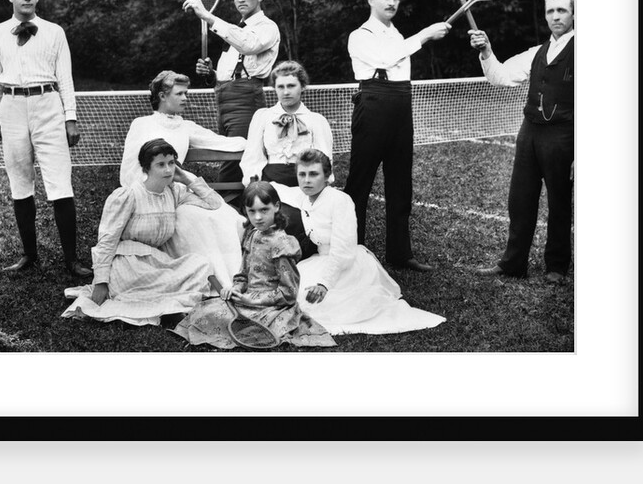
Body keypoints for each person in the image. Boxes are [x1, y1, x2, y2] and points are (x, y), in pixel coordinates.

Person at [270, 149, 446, 335]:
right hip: (320, 259)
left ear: (327, 176)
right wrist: (261, 182)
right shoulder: (305, 197)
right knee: (286, 296)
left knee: (313, 307)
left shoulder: (340, 201)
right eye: (302, 174)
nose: (306, 180)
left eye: (314, 174)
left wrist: (324, 284)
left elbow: (343, 249)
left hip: (346, 266)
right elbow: (286, 192)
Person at [0, 0, 90, 277]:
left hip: (48, 106)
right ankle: (30, 255)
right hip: (11, 107)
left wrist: (70, 117)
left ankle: (72, 259)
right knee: (20, 183)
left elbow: (66, 78)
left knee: (59, 182)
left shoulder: (54, 32)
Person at [344, 0, 450, 273]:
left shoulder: (396, 33)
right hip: (374, 104)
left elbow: (399, 60)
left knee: (400, 183)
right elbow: (386, 59)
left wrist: (419, 37)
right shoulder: (360, 34)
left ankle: (400, 254)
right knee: (359, 183)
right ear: (370, 0)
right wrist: (426, 34)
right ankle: (352, 252)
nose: (392, 3)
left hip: (402, 106)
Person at [469, 0, 575, 283]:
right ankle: (514, 263)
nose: (556, 16)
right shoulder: (536, 52)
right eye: (551, 11)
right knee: (520, 199)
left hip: (564, 136)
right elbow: (500, 76)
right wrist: (486, 51)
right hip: (529, 133)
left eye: (562, 11)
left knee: (559, 202)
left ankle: (556, 267)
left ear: (574, 14)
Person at [61, 139, 223, 326]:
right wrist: (101, 282)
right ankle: (166, 307)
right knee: (151, 281)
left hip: (156, 261)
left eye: (171, 163)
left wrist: (186, 179)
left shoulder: (174, 192)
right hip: (129, 265)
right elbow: (107, 240)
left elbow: (215, 203)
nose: (168, 170)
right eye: (160, 165)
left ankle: (166, 305)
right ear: (146, 168)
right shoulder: (128, 195)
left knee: (201, 265)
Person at [171, 181, 336, 349]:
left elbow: (289, 293)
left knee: (253, 324)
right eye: (252, 211)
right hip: (246, 300)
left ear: (276, 206)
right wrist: (235, 289)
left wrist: (250, 300)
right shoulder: (252, 236)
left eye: (264, 210)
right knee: (206, 311)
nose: (258, 217)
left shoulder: (282, 245)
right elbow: (243, 274)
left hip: (273, 307)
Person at [119, 70, 246, 287]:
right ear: (162, 96)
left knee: (225, 216)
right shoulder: (141, 124)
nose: (186, 98)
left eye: (186, 93)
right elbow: (128, 170)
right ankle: (205, 281)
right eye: (180, 94)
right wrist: (147, 194)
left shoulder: (185, 127)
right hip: (150, 196)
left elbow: (224, 143)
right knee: (198, 223)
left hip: (179, 193)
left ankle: (233, 280)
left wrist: (262, 139)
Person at [181, 0, 280, 186]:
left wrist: (208, 17)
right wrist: (211, 74)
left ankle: (235, 212)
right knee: (230, 156)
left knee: (238, 162)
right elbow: (228, 74)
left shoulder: (267, 27)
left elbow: (248, 45)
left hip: (246, 101)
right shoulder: (234, 29)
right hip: (224, 101)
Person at [239, 60, 333, 187]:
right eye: (280, 87)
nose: (286, 92)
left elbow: (325, 159)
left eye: (291, 86)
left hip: (305, 183)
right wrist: (254, 183)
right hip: (270, 183)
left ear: (303, 86)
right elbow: (253, 155)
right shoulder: (263, 117)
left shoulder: (316, 120)